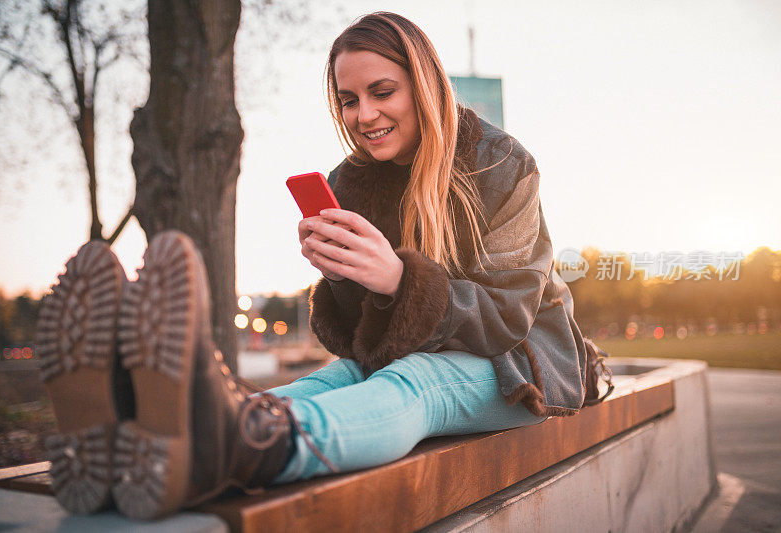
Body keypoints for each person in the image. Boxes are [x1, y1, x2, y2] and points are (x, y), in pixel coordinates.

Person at [35, 11, 588, 521]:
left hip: (524, 364)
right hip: (411, 351)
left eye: (382, 92)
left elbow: (510, 316)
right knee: (337, 378)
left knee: (415, 383)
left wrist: (398, 279)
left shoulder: (502, 163)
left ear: (424, 85)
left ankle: (230, 450)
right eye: (348, 99)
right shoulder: (350, 181)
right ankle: (138, 434)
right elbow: (355, 346)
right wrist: (343, 277)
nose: (363, 115)